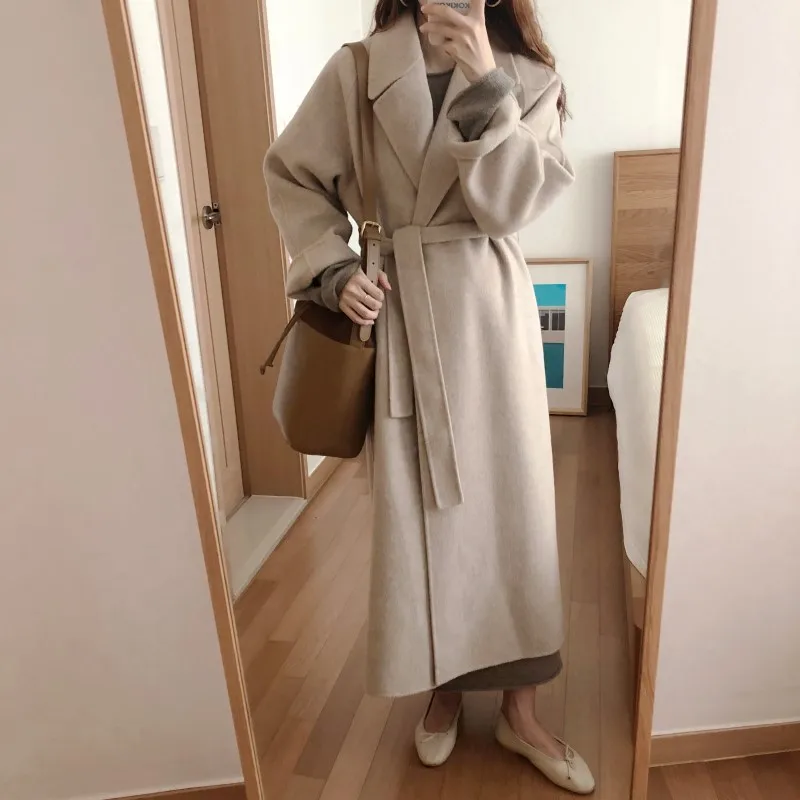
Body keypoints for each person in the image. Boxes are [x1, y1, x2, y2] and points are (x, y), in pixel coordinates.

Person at [265, 0, 594, 792]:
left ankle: (520, 712)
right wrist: (334, 270)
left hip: (489, 318)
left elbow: (509, 207)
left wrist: (485, 81)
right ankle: (443, 688)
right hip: (401, 312)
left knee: (512, 516)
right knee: (424, 518)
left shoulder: (530, 78)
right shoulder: (358, 69)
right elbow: (293, 175)